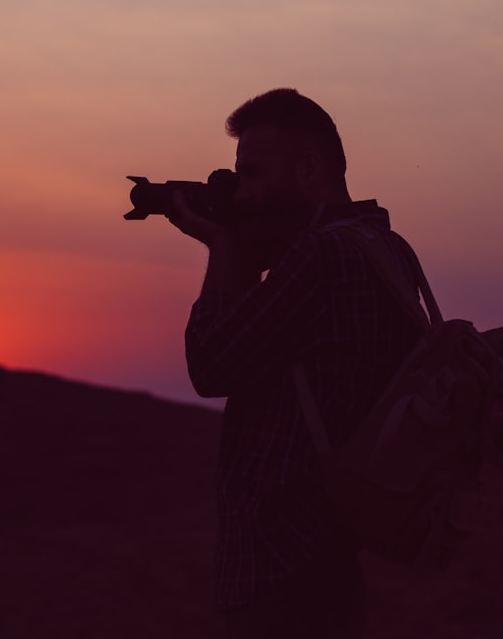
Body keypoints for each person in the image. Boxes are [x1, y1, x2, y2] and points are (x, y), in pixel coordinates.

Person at [167, 88, 421, 638]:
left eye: (254, 175)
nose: (244, 195)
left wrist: (223, 250)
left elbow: (211, 365)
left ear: (308, 171)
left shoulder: (322, 257)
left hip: (281, 568)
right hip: (333, 557)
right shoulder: (387, 248)